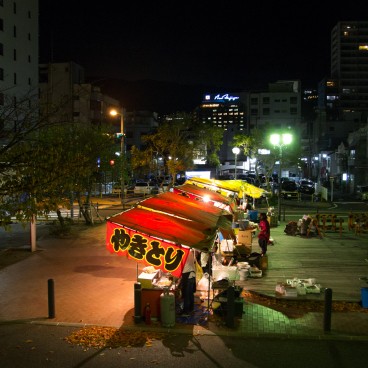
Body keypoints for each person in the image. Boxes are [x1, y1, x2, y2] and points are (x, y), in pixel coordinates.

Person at [180, 248, 196, 316]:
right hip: (192, 275)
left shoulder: (184, 252)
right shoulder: (190, 251)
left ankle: (186, 312)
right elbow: (194, 261)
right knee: (190, 294)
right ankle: (191, 309)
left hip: (188, 275)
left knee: (187, 294)